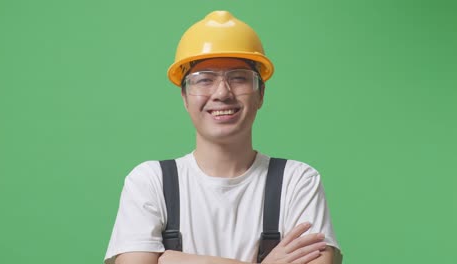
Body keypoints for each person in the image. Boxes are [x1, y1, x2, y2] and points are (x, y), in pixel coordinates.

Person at [104, 10, 342, 264]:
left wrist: (171, 259)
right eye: (204, 80)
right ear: (184, 97)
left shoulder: (297, 181)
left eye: (239, 78)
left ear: (260, 94)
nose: (222, 93)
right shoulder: (150, 181)